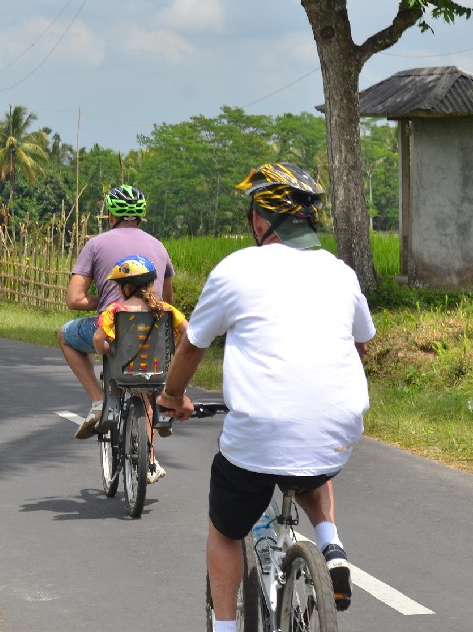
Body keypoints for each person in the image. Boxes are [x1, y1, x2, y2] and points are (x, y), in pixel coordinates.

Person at [157, 162, 375, 629]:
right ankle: (331, 544)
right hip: (337, 428)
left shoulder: (237, 269)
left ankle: (225, 626)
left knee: (225, 530)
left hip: (259, 437)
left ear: (261, 219)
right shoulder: (341, 273)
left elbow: (193, 344)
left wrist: (173, 396)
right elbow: (359, 344)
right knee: (314, 463)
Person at [58, 184, 175, 440]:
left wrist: (108, 301)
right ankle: (150, 461)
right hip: (152, 331)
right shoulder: (159, 246)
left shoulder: (96, 244)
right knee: (147, 387)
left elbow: (74, 299)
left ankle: (98, 402)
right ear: (140, 217)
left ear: (111, 216)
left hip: (114, 329)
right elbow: (167, 300)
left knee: (65, 335)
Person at [92, 255, 187, 484]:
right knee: (149, 405)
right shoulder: (165, 310)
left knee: (114, 383)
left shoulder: (115, 310)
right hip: (156, 372)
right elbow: (188, 333)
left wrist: (105, 349)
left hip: (122, 372)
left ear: (127, 286)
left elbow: (99, 339)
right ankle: (150, 458)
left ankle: (111, 416)